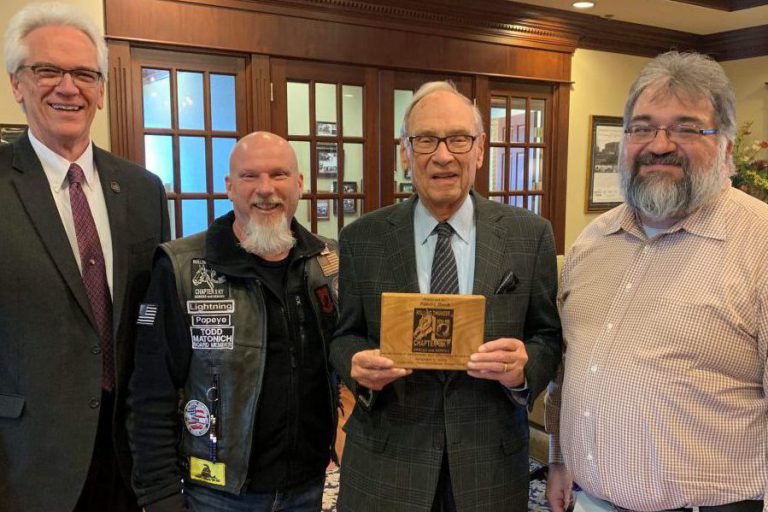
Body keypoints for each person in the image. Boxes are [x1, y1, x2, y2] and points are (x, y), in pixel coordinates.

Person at [546, 51, 767, 512]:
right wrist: (560, 459)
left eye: (686, 128)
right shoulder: (593, 241)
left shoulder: (760, 245)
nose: (660, 144)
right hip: (589, 500)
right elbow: (570, 369)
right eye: (642, 127)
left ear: (726, 146)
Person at [329, 81, 562, 512]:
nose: (442, 155)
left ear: (479, 149)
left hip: (488, 464)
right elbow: (345, 336)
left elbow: (547, 335)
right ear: (405, 152)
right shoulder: (363, 238)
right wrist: (355, 365)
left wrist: (524, 368)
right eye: (425, 140)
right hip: (386, 461)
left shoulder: (529, 235)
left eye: (458, 139)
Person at [0, 3, 170, 512]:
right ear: (17, 84)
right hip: (26, 460)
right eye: (48, 70)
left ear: (100, 88)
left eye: (84, 74)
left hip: (132, 454)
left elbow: (154, 315)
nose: (67, 87)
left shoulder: (143, 190)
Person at [127, 131, 340, 511]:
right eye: (249, 176)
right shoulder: (181, 268)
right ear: (229, 186)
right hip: (216, 496)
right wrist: (159, 495)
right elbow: (150, 393)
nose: (265, 189)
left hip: (307, 487)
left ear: (299, 184)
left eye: (279, 175)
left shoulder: (328, 265)